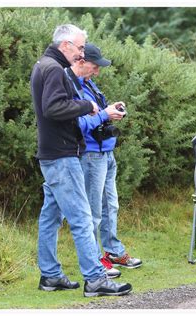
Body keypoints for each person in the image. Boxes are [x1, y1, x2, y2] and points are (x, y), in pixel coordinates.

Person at [30, 24, 131, 297]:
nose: (82, 52)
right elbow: (53, 108)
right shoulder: (53, 68)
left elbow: (52, 107)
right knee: (83, 218)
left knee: (51, 216)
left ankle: (50, 275)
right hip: (61, 156)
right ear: (65, 45)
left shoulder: (45, 64)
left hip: (52, 154)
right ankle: (95, 279)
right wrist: (87, 106)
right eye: (80, 47)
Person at [65, 43, 142, 275]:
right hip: (90, 154)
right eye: (94, 66)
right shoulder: (70, 87)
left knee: (111, 206)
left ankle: (113, 251)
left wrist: (110, 111)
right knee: (93, 210)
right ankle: (96, 259)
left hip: (106, 152)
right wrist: (103, 114)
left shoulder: (88, 83)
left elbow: (96, 114)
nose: (97, 71)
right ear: (80, 61)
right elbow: (77, 124)